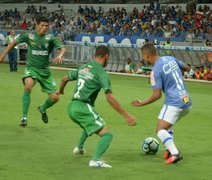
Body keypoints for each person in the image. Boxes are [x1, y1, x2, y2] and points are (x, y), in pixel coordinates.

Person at [58, 45, 136, 168]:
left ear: (95, 55)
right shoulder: (101, 73)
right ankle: (95, 160)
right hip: (83, 107)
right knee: (107, 135)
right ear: (107, 56)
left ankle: (79, 147)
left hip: (72, 107)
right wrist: (127, 116)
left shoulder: (83, 67)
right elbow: (109, 97)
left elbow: (64, 79)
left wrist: (61, 91)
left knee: (90, 124)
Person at [131, 43, 192, 164]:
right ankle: (169, 150)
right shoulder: (170, 58)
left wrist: (141, 103)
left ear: (146, 55)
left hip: (174, 103)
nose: (143, 59)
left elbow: (157, 95)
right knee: (166, 125)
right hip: (187, 101)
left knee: (160, 130)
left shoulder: (156, 70)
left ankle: (175, 154)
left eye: (143, 56)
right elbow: (187, 68)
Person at [0, 16, 66, 127]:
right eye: (42, 25)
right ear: (37, 25)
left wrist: (60, 55)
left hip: (45, 72)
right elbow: (13, 43)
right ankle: (24, 117)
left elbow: (62, 48)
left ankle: (42, 108)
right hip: (32, 69)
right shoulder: (28, 36)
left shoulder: (50, 38)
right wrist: (2, 56)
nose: (45, 27)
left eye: (46, 26)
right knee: (28, 86)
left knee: (55, 98)